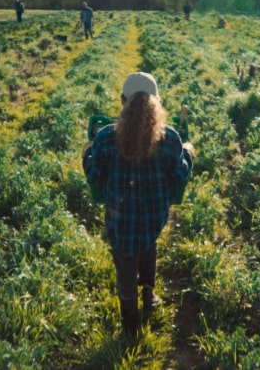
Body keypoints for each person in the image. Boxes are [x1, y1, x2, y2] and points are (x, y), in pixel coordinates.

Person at [82, 72, 194, 335]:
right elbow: (180, 175)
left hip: (121, 220)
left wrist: (87, 153)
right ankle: (148, 296)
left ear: (123, 102)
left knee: (125, 263)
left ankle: (130, 322)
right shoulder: (170, 139)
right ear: (156, 102)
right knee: (148, 246)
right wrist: (188, 153)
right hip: (153, 217)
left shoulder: (106, 138)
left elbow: (95, 176)